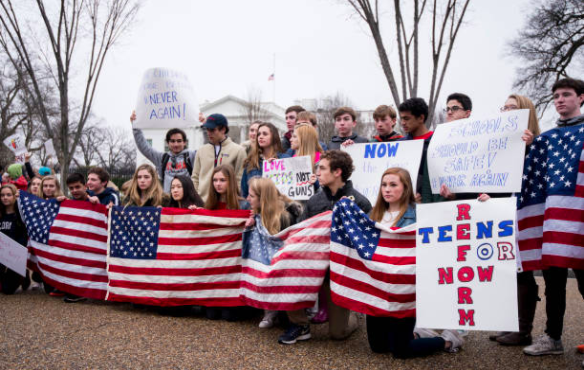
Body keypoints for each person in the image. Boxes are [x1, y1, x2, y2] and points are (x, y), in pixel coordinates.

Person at [278, 150, 372, 345]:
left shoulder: (360, 202)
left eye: (321, 168)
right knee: (287, 266)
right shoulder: (315, 201)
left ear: (337, 172)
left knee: (337, 333)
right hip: (313, 267)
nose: (317, 172)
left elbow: (367, 241)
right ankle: (300, 324)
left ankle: (352, 313)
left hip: (340, 272)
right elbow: (301, 232)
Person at [366, 168, 462, 357]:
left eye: (393, 185)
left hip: (404, 292)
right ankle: (417, 333)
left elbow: (451, 224)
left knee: (400, 351)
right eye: (384, 185)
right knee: (378, 347)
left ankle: (448, 340)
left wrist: (483, 204)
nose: (387, 189)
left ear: (405, 188)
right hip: (379, 290)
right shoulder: (373, 215)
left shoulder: (419, 215)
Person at [522, 77, 584, 357]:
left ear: (580, 98)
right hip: (552, 223)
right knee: (554, 283)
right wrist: (525, 147)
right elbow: (527, 176)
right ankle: (553, 337)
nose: (560, 100)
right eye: (556, 95)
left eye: (566, 94)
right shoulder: (544, 140)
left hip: (579, 223)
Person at [490, 94, 542, 346]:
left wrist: (532, 146)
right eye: (505, 108)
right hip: (506, 210)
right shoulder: (501, 146)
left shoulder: (538, 144)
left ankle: (524, 330)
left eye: (513, 108)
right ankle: (514, 326)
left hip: (529, 212)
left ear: (525, 112)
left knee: (524, 271)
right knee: (511, 270)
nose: (507, 111)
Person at [245, 177, 303, 332]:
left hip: (287, 266)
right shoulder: (258, 214)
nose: (247, 199)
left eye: (251, 196)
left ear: (262, 198)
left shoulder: (285, 217)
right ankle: (269, 311)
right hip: (271, 262)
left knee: (286, 320)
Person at [203, 165, 250, 321]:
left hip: (234, 265)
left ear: (231, 182)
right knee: (211, 316)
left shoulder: (243, 205)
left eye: (222, 180)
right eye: (215, 180)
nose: (218, 184)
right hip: (214, 265)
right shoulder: (209, 206)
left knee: (230, 316)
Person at [130, 111, 196, 192]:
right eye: (172, 141)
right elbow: (144, 147)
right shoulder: (162, 158)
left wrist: (204, 127)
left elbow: (208, 149)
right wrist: (135, 126)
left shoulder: (192, 156)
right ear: (167, 143)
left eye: (179, 141)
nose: (176, 144)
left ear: (184, 142)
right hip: (168, 201)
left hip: (187, 201)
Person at [191, 113, 247, 202]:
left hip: (227, 204)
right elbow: (195, 177)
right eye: (207, 129)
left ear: (223, 130)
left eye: (212, 130)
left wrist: (234, 200)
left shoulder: (238, 151)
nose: (209, 133)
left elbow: (239, 179)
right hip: (203, 203)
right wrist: (196, 198)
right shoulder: (201, 151)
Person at [241, 122, 290, 197]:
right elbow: (244, 192)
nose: (260, 137)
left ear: (273, 137)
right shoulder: (250, 162)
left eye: (265, 134)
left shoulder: (285, 159)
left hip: (278, 205)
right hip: (255, 207)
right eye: (259, 134)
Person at [0, 184, 30, 295]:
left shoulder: (20, 216)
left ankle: (23, 274)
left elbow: (23, 239)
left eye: (8, 195)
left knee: (7, 290)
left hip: (15, 256)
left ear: (14, 196)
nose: (5, 197)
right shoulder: (1, 214)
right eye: (2, 195)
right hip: (1, 255)